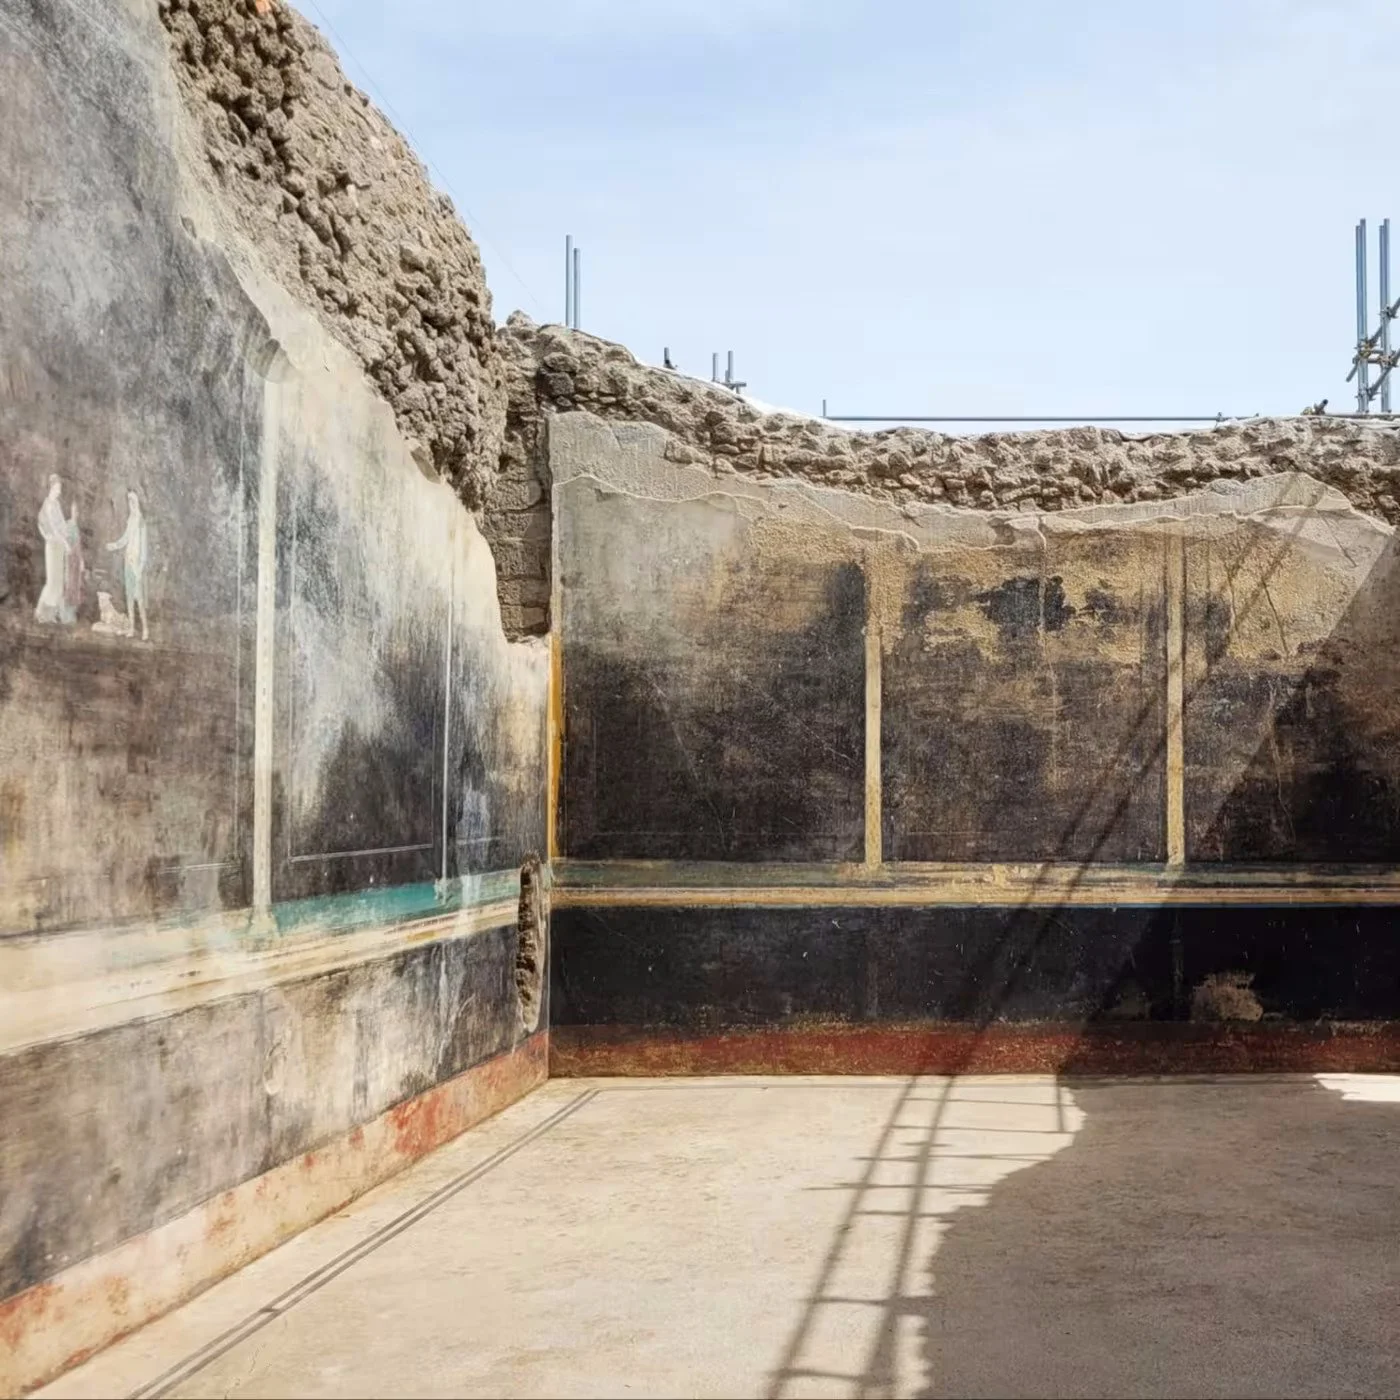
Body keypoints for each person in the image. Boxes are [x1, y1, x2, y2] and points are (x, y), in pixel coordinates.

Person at [106, 489, 149, 641]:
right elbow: (125, 539)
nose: (131, 504)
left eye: (133, 501)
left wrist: (140, 567)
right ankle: (131, 627)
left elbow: (144, 548)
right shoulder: (130, 520)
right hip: (128, 562)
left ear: (138, 502)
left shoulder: (141, 521)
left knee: (140, 599)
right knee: (129, 596)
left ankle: (145, 629)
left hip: (137, 563)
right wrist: (114, 545)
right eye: (129, 501)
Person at [34, 474, 70, 625]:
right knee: (52, 582)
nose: (59, 491)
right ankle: (39, 612)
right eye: (57, 488)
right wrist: (65, 542)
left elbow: (61, 525)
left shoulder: (56, 504)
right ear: (51, 488)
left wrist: (67, 535)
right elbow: (53, 529)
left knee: (58, 582)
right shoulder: (48, 505)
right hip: (53, 545)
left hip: (59, 545)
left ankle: (51, 614)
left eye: (60, 489)